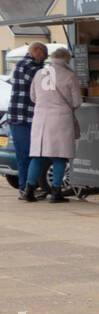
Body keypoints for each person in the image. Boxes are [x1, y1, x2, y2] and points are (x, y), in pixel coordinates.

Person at [23, 46, 82, 204]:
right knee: (59, 156)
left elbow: (33, 97)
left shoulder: (39, 73)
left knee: (37, 156)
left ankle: (28, 190)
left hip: (40, 118)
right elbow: (77, 102)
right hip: (60, 120)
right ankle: (56, 192)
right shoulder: (69, 76)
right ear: (67, 59)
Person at [6, 42, 47, 199]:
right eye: (44, 54)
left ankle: (29, 186)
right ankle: (25, 188)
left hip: (27, 117)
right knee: (26, 154)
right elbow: (40, 79)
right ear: (37, 51)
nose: (45, 58)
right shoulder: (27, 65)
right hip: (21, 117)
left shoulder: (31, 65)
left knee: (31, 154)